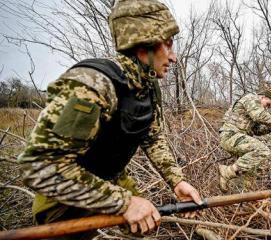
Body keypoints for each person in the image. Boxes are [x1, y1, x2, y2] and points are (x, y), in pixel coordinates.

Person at [17, 0, 202, 238]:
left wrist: (177, 181)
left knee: (143, 226)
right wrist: (124, 203)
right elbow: (40, 166)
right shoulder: (92, 85)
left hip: (108, 177)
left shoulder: (145, 86)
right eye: (167, 45)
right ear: (144, 43)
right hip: (64, 198)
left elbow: (152, 136)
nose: (173, 57)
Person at [218, 90, 271, 192]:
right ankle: (227, 172)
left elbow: (257, 131)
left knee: (250, 171)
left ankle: (244, 197)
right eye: (268, 104)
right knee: (262, 151)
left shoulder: (252, 111)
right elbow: (259, 116)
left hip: (236, 138)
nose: (267, 108)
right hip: (231, 136)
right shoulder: (251, 98)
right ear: (262, 97)